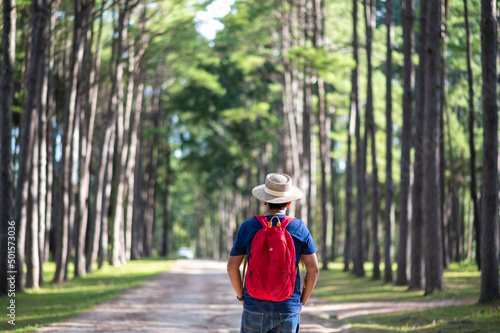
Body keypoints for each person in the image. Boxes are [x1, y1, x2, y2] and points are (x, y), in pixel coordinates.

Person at [227, 173, 319, 333]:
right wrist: (301, 302)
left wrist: (242, 297)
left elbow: (231, 267)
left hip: (254, 304)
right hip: (289, 306)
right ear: (289, 202)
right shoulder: (299, 228)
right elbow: (314, 269)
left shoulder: (248, 226)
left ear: (264, 200)